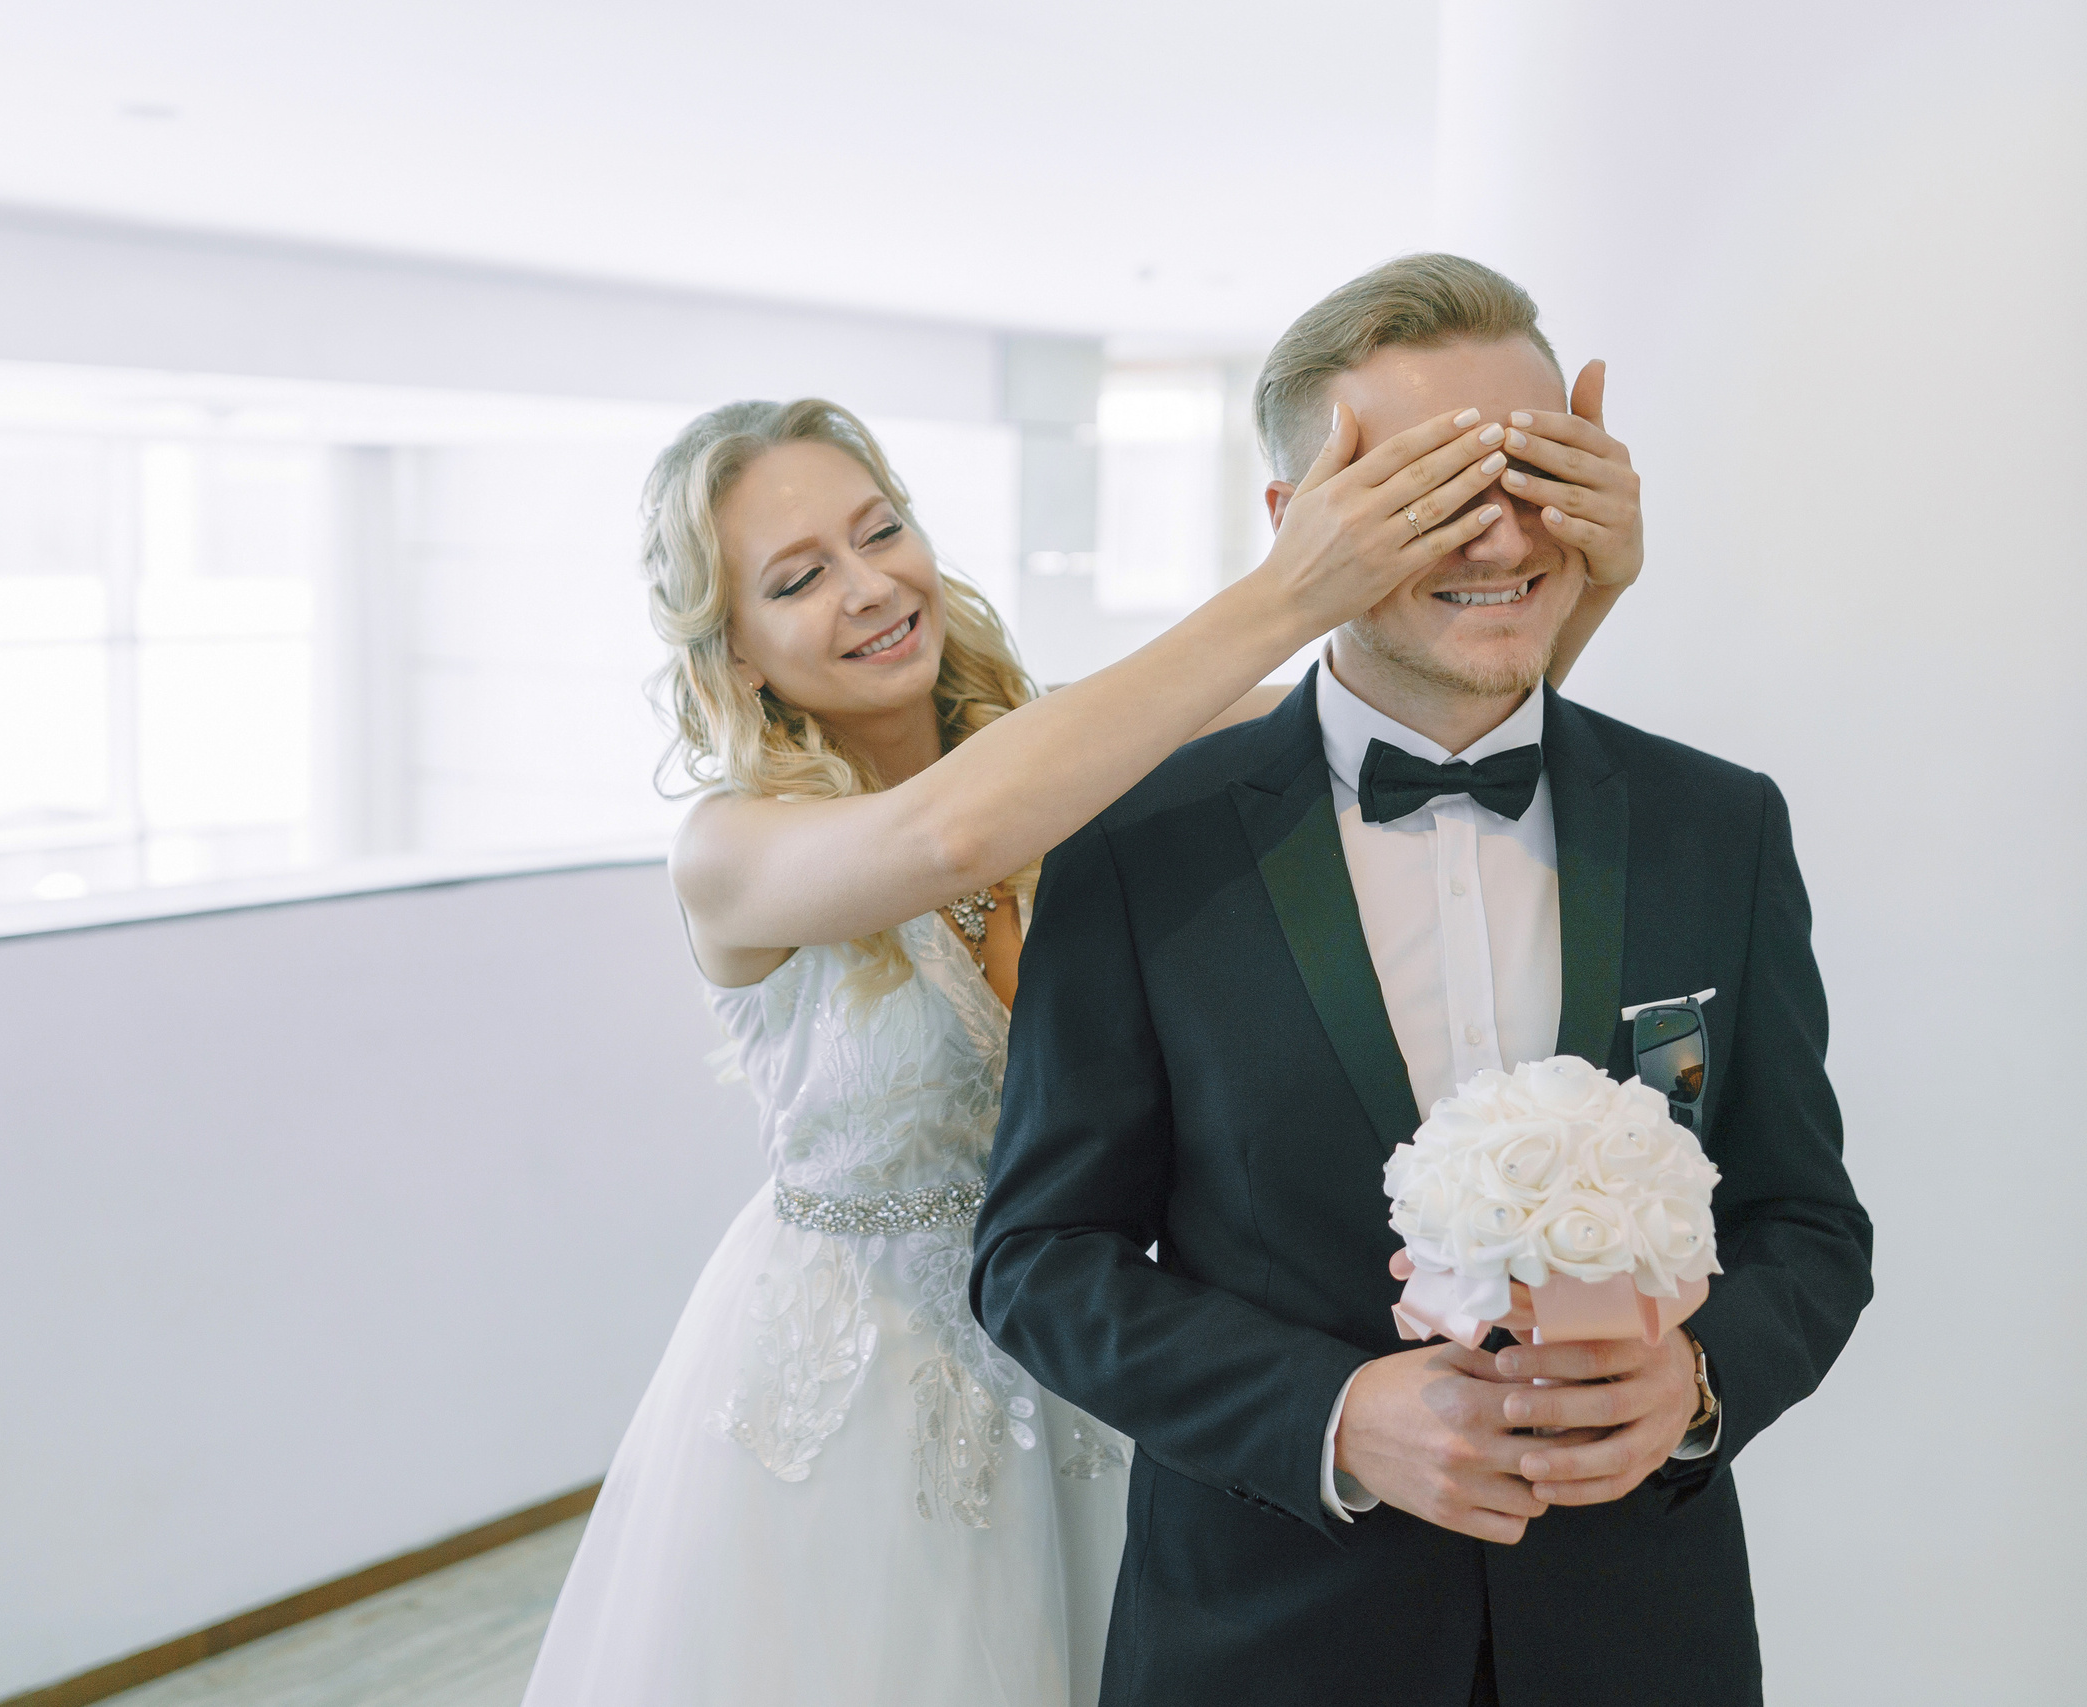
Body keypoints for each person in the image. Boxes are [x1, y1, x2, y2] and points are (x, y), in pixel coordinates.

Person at [521, 364, 1632, 1704]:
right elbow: (947, 835)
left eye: (881, 531)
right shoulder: (733, 850)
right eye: (799, 576)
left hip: (1102, 1358)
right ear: (734, 646)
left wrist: (1586, 577)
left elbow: (1424, 715)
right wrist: (1290, 585)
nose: (871, 587)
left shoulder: (1080, 758)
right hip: (862, 1405)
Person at [971, 253, 1874, 1707]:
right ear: (1295, 526)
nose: (1503, 528)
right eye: (1430, 486)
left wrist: (1699, 1387)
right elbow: (1038, 1259)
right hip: (1266, 1640)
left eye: (1535, 468)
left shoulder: (1725, 828)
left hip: (1643, 1642)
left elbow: (1808, 1224)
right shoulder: (1136, 848)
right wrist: (1327, 1415)